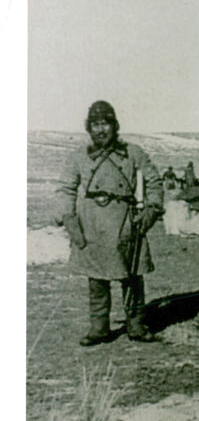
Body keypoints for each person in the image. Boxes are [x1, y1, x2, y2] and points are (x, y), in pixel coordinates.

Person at [56, 100, 164, 345]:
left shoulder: (134, 153)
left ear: (115, 126)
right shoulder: (78, 157)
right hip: (91, 225)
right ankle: (99, 328)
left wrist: (150, 211)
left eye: (105, 123)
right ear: (89, 128)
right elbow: (66, 189)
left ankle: (136, 325)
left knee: (133, 278)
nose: (101, 129)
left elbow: (154, 182)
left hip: (127, 224)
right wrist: (69, 219)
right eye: (95, 124)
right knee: (97, 281)